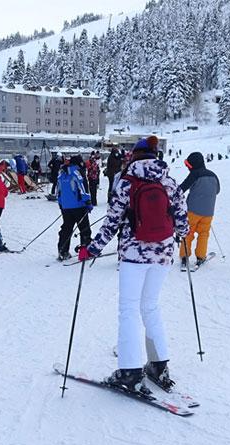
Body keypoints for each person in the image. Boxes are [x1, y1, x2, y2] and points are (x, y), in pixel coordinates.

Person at [77, 138, 189, 394]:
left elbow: (111, 222)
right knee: (151, 306)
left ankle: (129, 372)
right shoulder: (169, 182)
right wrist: (178, 235)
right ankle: (159, 365)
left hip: (133, 255)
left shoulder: (126, 183)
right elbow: (183, 223)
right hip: (162, 254)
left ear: (134, 156)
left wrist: (92, 249)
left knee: (128, 309)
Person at [178, 151, 220, 269]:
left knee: (188, 233)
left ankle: (184, 256)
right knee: (203, 234)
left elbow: (182, 189)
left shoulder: (195, 174)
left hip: (192, 211)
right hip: (208, 211)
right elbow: (217, 191)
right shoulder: (213, 175)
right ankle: (201, 256)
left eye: (189, 166)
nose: (188, 169)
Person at [56, 155, 92, 261]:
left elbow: (58, 191)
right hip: (79, 206)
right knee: (84, 229)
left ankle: (63, 251)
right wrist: (88, 201)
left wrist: (61, 204)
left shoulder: (62, 174)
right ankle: (84, 253)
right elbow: (82, 187)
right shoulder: (77, 172)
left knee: (66, 229)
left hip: (66, 207)